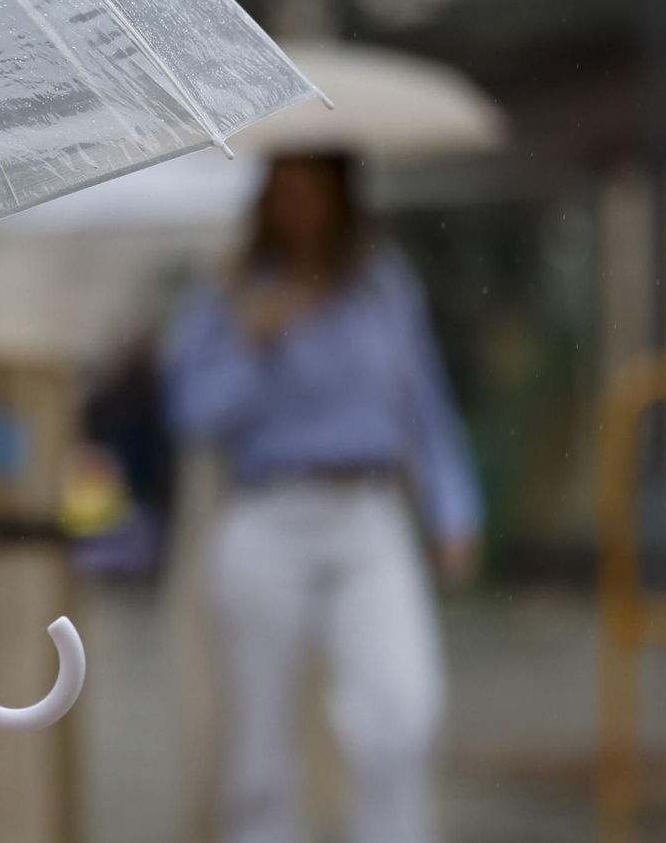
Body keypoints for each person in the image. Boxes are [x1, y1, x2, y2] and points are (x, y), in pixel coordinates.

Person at [162, 152, 481, 843]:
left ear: (340, 195)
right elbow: (191, 413)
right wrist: (255, 343)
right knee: (260, 740)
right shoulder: (231, 289)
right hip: (267, 513)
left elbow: (423, 404)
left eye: (312, 191)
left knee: (402, 712)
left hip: (368, 511)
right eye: (286, 192)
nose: (300, 208)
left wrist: (453, 507)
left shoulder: (383, 285)